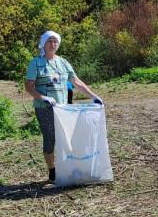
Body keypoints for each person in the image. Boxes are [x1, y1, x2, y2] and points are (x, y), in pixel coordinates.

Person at [25, 31, 102, 182]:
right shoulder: (35, 63)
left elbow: (76, 82)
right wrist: (43, 97)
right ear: (43, 43)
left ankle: (70, 167)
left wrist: (93, 96)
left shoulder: (63, 62)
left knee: (67, 138)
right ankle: (52, 171)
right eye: (50, 41)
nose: (53, 44)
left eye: (55, 42)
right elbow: (28, 86)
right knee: (50, 138)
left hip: (63, 109)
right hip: (44, 108)